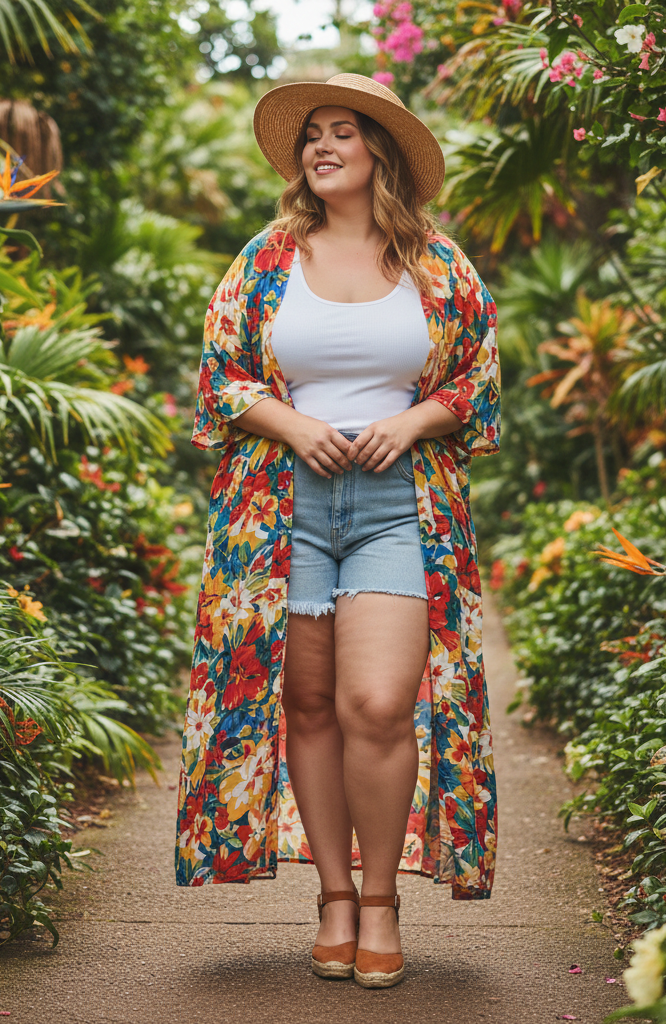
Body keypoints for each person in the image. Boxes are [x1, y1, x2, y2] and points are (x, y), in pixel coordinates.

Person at [175, 73, 501, 989]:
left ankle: (383, 899)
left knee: (379, 705)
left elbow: (476, 379)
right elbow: (221, 376)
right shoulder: (266, 258)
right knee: (309, 706)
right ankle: (334, 899)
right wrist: (292, 424)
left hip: (400, 506)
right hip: (281, 509)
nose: (322, 146)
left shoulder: (438, 264)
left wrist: (414, 419)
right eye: (312, 134)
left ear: (379, 152)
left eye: (342, 131)